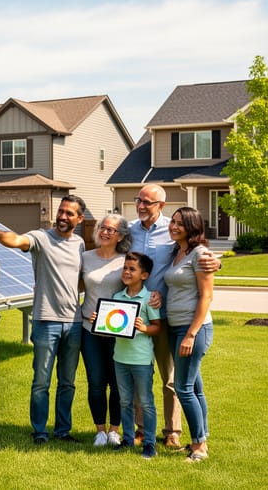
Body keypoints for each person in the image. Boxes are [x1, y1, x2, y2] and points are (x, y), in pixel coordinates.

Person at [0, 195, 86, 444]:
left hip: (75, 322)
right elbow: (17, 240)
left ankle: (63, 430)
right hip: (46, 320)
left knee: (68, 382)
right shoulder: (41, 238)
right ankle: (40, 431)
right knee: (41, 380)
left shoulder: (80, 243)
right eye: (61, 211)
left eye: (69, 213)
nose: (62, 216)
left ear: (79, 219)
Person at [128, 184, 219, 449]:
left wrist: (217, 262)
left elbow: (199, 256)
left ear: (160, 205)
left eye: (147, 202)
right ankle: (142, 429)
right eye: (138, 200)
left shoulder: (174, 228)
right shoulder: (129, 229)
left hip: (168, 317)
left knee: (172, 379)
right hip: (137, 314)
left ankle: (173, 431)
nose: (141, 206)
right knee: (139, 373)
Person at [163, 207, 214, 463]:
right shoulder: (177, 252)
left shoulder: (200, 254)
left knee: (182, 388)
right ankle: (201, 438)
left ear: (192, 227)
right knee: (195, 387)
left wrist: (191, 334)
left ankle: (198, 447)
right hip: (175, 326)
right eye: (172, 222)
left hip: (193, 328)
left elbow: (206, 296)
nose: (173, 226)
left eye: (180, 223)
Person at [99, 251, 161, 460]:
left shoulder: (148, 298)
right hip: (120, 359)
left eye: (131, 269)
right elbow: (112, 325)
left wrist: (143, 328)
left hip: (141, 360)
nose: (126, 271)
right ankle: (127, 438)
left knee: (145, 402)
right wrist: (100, 320)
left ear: (144, 275)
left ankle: (150, 443)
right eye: (125, 268)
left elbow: (157, 328)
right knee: (125, 401)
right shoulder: (117, 297)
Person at [79, 214, 131, 447]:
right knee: (96, 383)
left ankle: (114, 431)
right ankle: (99, 430)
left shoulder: (126, 261)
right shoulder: (85, 258)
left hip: (118, 333)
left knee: (118, 384)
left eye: (111, 229)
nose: (105, 232)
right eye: (103, 227)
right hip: (89, 331)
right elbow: (70, 285)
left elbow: (135, 292)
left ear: (120, 236)